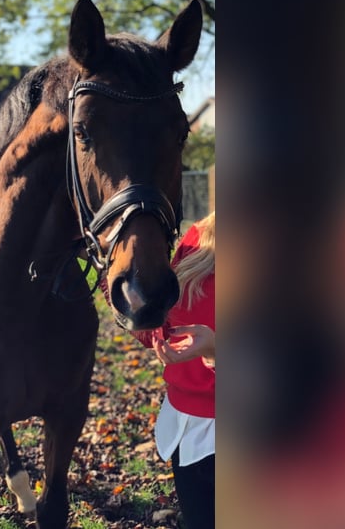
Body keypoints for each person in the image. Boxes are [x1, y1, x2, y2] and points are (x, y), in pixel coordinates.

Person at [135, 211, 215, 529]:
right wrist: (141, 321)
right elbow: (168, 322)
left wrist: (216, 349)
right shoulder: (199, 236)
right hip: (186, 427)